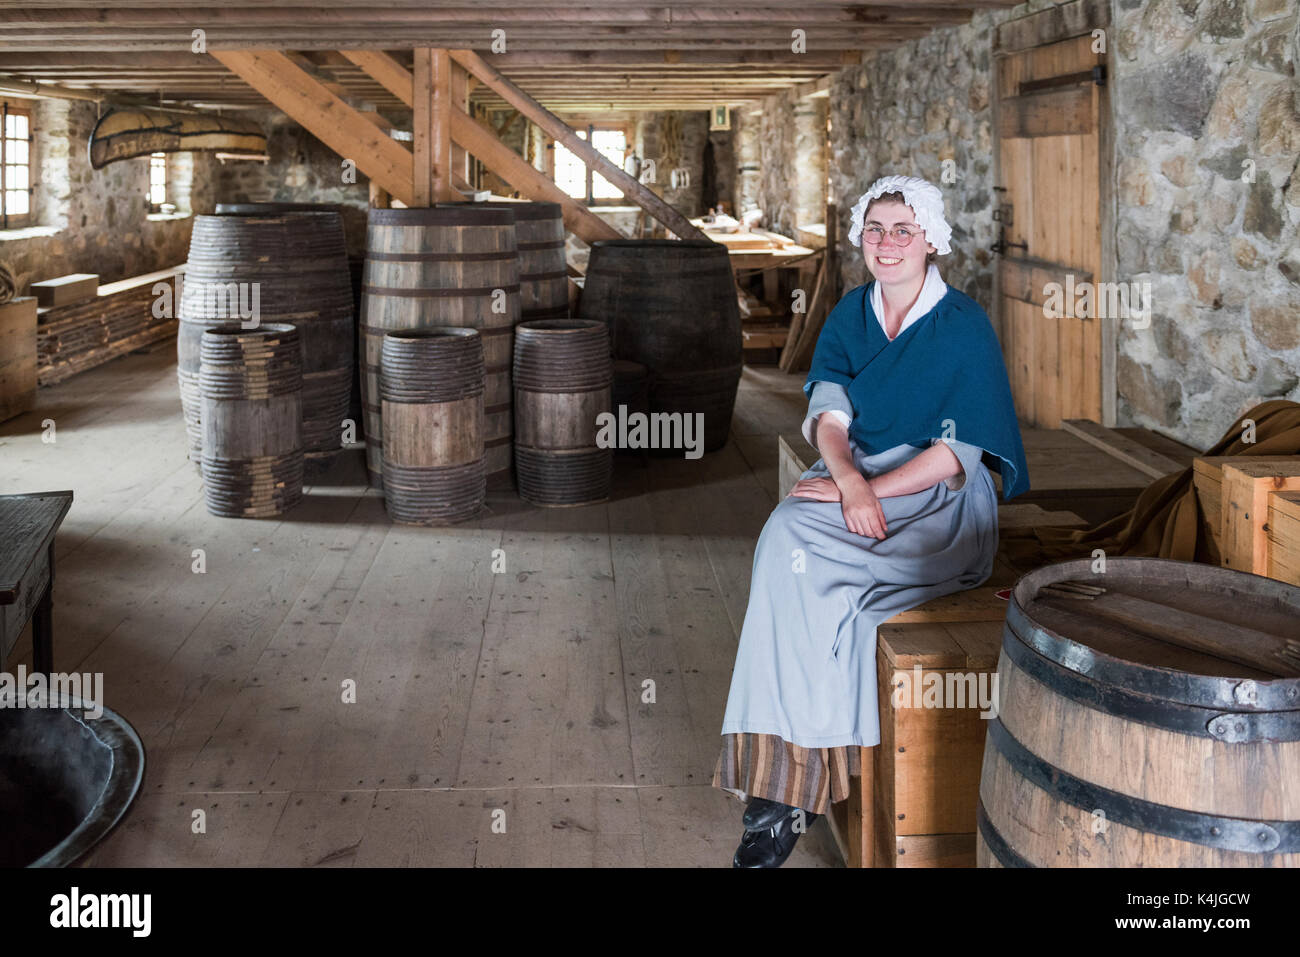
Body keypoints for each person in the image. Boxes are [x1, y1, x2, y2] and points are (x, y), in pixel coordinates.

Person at [712, 174, 1030, 867]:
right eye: (876, 230)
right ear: (863, 238)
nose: (887, 245)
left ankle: (793, 795)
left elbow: (958, 455)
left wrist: (876, 492)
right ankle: (780, 789)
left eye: (903, 231)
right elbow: (829, 414)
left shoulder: (964, 327)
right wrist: (851, 481)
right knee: (781, 544)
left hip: (935, 502)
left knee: (831, 593)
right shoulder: (852, 314)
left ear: (932, 242)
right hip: (858, 480)